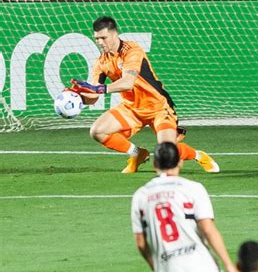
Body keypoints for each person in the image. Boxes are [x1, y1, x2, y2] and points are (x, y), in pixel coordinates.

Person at [68, 16, 219, 174]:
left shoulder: (132, 51)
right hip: (131, 108)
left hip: (158, 107)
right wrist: (79, 95)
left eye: (103, 38)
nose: (100, 42)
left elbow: (127, 82)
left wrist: (98, 89)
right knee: (97, 131)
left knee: (167, 151)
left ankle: (198, 155)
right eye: (97, 39)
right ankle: (137, 154)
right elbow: (94, 97)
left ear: (114, 34)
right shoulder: (101, 62)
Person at [131, 142, 238, 272]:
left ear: (155, 164)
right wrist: (228, 264)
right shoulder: (193, 188)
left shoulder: (140, 196)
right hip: (202, 270)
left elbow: (141, 243)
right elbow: (208, 230)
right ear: (180, 162)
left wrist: (158, 269)